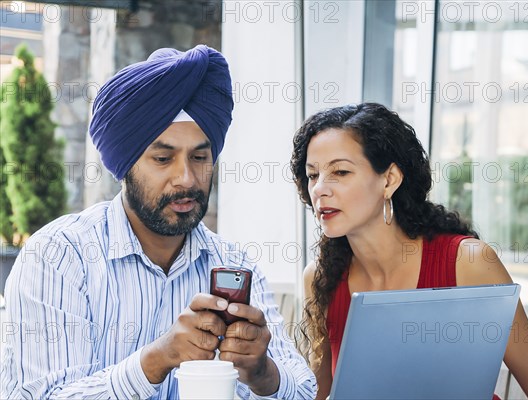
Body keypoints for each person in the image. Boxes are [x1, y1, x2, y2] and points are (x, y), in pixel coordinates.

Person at [1, 45, 316, 399]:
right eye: (163, 158)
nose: (186, 177)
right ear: (126, 164)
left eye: (200, 157)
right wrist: (156, 360)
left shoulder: (234, 263)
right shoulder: (60, 257)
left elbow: (304, 390)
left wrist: (262, 374)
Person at [290, 102, 528, 400]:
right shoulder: (320, 277)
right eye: (313, 175)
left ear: (389, 179)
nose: (320, 188)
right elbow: (321, 394)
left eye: (340, 172)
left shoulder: (470, 263)